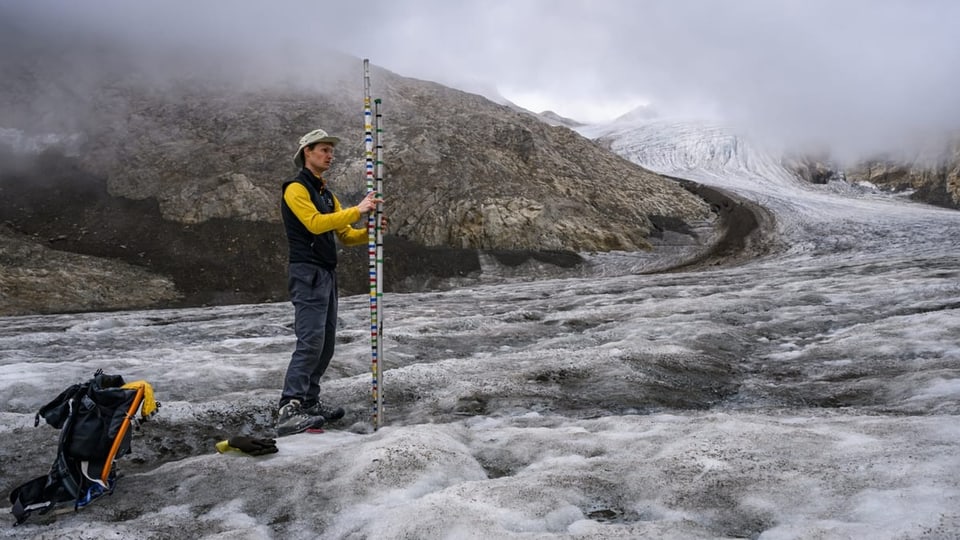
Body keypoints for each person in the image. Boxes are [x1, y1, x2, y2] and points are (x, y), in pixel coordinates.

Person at [276, 128, 383, 436]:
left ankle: (309, 403)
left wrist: (371, 233)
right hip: (307, 272)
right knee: (310, 341)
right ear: (307, 152)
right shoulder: (296, 189)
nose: (330, 155)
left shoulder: (326, 194)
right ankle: (289, 408)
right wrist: (357, 210)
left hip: (325, 273)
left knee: (325, 343)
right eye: (323, 149)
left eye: (330, 150)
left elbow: (346, 236)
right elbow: (314, 223)